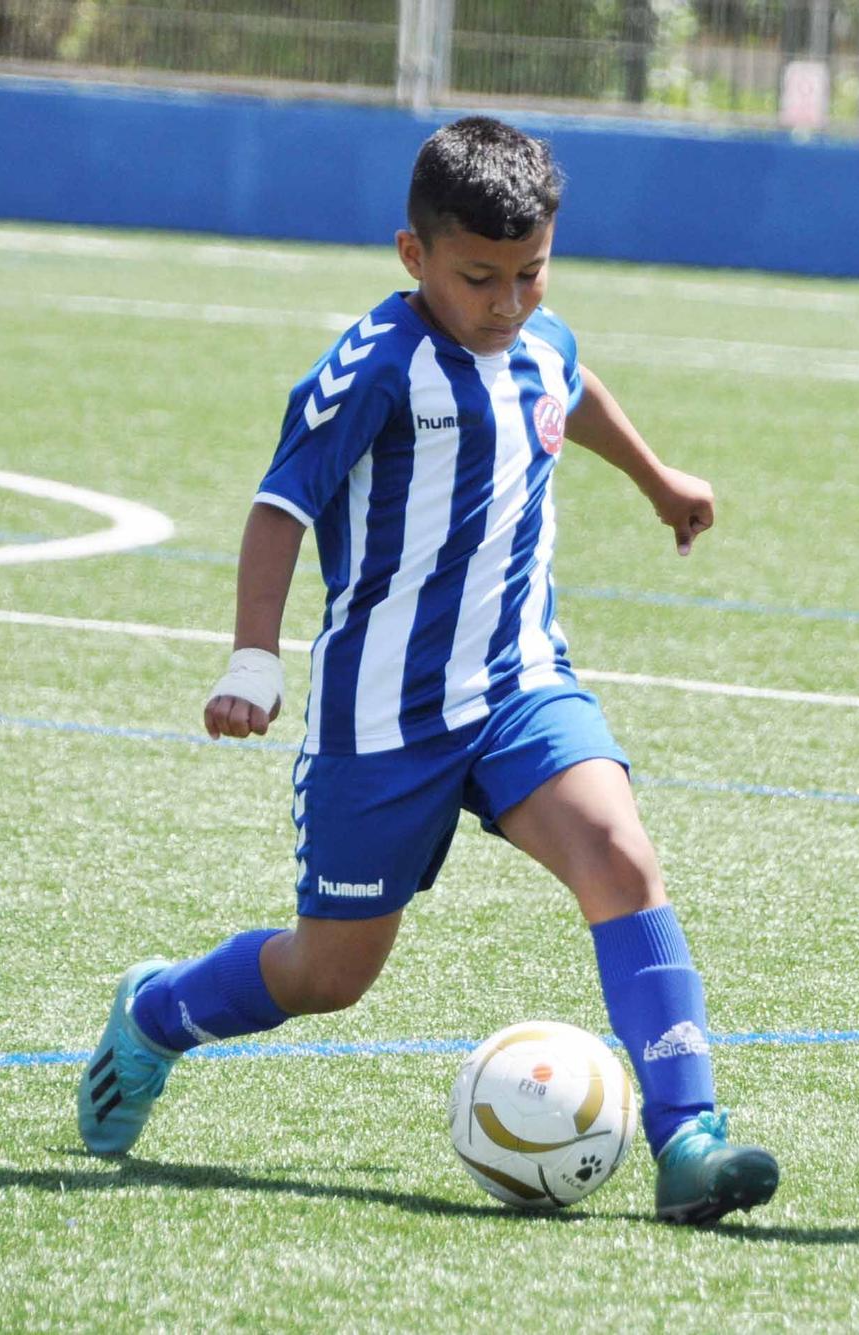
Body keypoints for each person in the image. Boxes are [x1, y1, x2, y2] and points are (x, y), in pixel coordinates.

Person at [76, 115, 780, 1226]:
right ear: (415, 257)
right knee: (330, 974)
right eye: (479, 279)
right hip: (379, 719)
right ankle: (157, 1014)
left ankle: (688, 1138)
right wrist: (253, 659)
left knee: (619, 854)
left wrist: (653, 476)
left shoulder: (538, 337)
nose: (507, 303)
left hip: (517, 687)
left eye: (530, 273)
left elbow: (568, 386)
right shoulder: (375, 368)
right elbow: (278, 508)